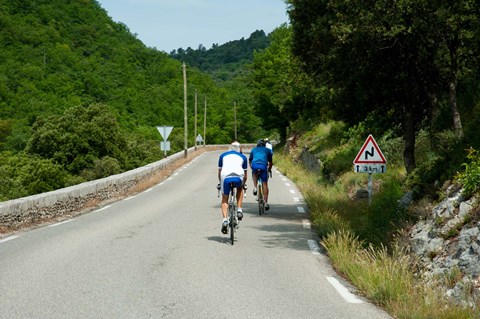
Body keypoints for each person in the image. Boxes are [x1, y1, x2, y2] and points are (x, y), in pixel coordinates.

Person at [218, 141, 248, 234]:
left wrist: (220, 182)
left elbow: (219, 172)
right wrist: (243, 184)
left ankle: (225, 220)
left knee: (224, 199)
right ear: (239, 149)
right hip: (238, 176)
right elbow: (245, 175)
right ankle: (239, 210)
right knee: (240, 188)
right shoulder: (243, 157)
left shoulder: (222, 156)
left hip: (225, 177)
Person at [249, 139, 273, 210]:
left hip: (255, 165)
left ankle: (255, 188)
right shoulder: (267, 150)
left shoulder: (253, 150)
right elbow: (270, 162)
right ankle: (265, 203)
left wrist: (252, 168)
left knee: (254, 173)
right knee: (265, 184)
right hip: (263, 166)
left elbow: (250, 161)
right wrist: (269, 169)